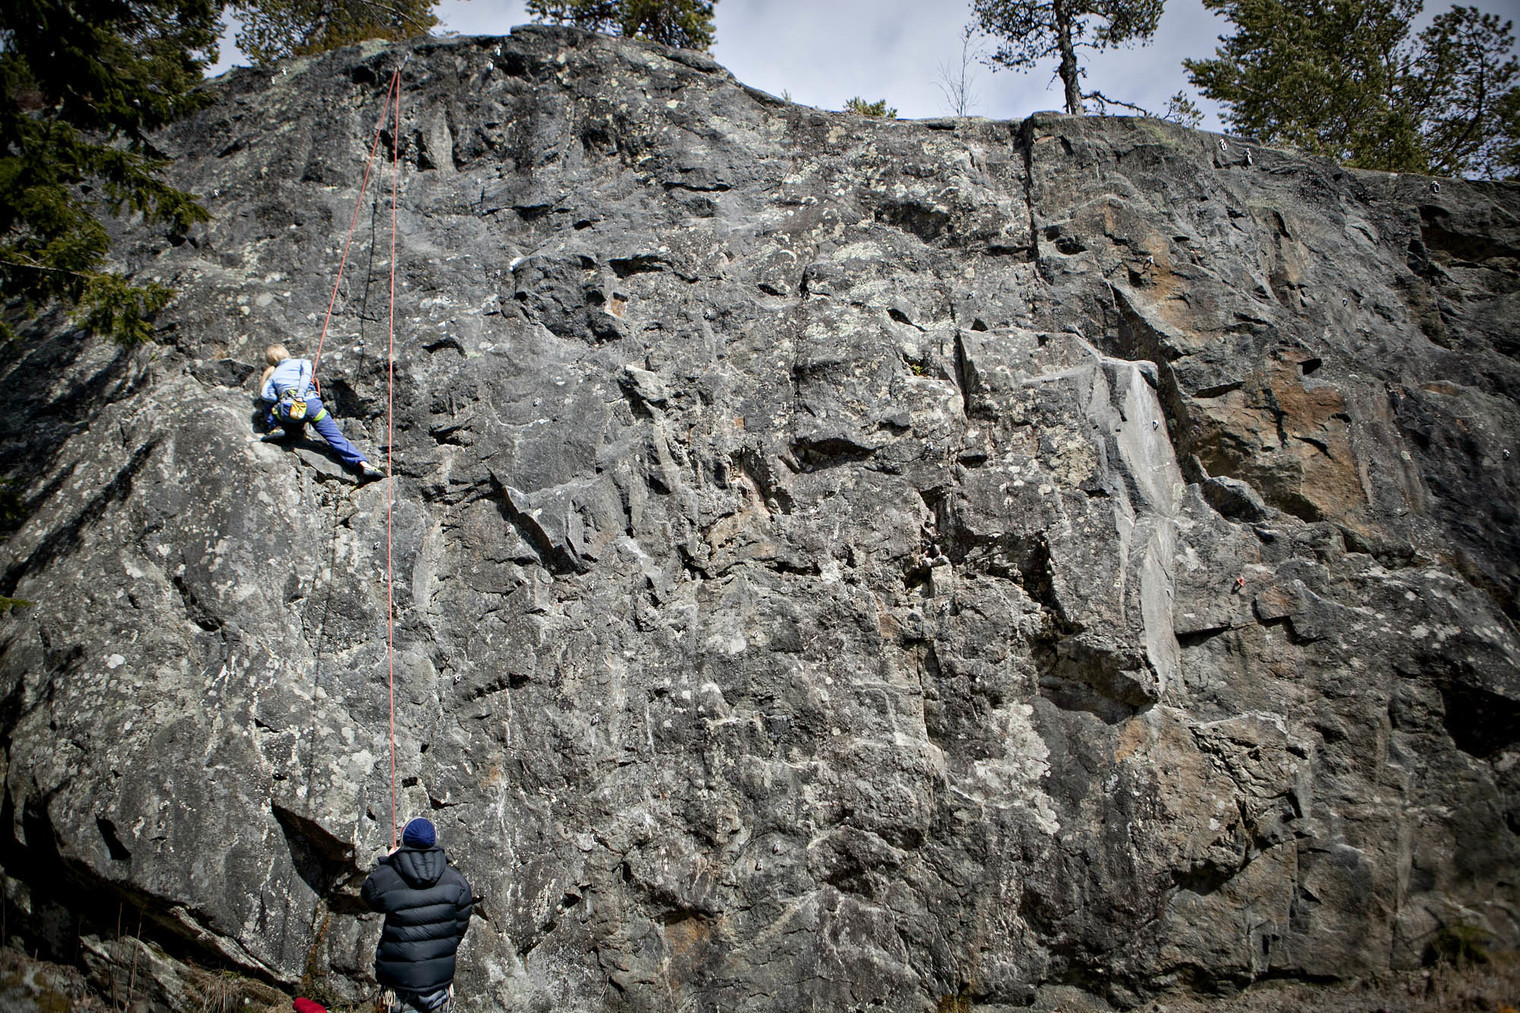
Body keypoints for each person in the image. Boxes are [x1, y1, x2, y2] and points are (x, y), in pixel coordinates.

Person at [361, 818, 473, 1013]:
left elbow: (369, 895)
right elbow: (459, 926)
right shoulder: (457, 882)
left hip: (399, 982)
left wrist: (390, 862)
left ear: (405, 841)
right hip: (438, 980)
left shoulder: (389, 877)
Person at [258, 344, 384, 483]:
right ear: (286, 353)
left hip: (290, 411)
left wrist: (280, 397)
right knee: (336, 438)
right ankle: (364, 465)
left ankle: (276, 427)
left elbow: (265, 395)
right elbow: (306, 376)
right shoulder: (303, 362)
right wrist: (300, 394)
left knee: (270, 407)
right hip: (313, 407)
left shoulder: (274, 374)